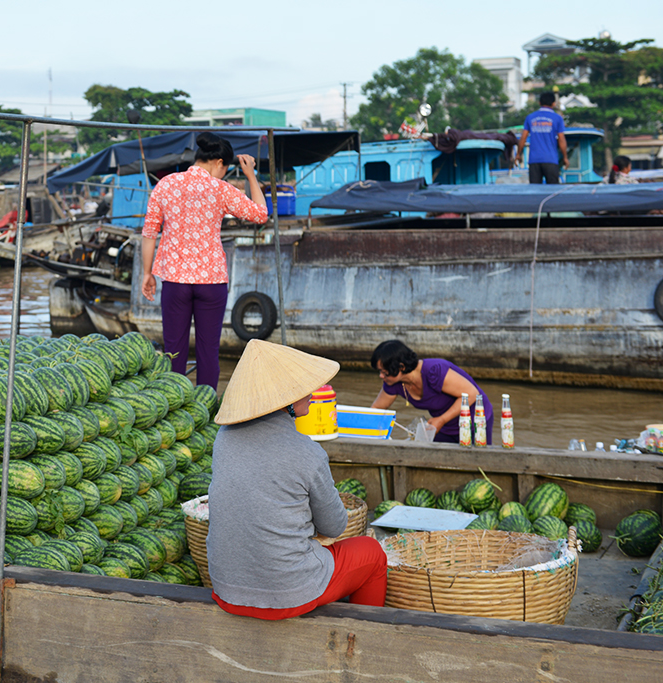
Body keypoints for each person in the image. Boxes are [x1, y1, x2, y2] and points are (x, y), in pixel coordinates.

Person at [207, 339, 388, 620]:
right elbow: (335, 526)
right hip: (287, 594)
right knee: (372, 553)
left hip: (226, 590)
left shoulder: (224, 439)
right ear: (285, 401)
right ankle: (366, 636)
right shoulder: (307, 451)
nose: (313, 393)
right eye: (303, 388)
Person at [140, 132, 268, 388]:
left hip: (175, 282)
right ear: (219, 162)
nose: (223, 174)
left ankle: (174, 410)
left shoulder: (166, 184)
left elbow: (149, 232)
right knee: (208, 353)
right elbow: (260, 214)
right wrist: (251, 174)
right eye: (225, 169)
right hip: (211, 282)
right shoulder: (220, 189)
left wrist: (147, 273)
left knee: (173, 351)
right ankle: (206, 412)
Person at [369, 339, 493, 445]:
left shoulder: (434, 371)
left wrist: (442, 420)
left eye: (384, 372)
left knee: (476, 464)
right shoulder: (394, 382)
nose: (381, 376)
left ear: (401, 367)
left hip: (473, 421)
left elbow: (471, 394)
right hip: (442, 427)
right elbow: (376, 409)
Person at [515, 92, 568, 185]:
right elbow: (561, 139)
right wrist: (565, 157)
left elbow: (523, 138)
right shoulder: (557, 118)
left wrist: (518, 154)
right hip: (551, 160)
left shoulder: (530, 117)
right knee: (553, 192)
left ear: (539, 103)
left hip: (534, 160)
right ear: (553, 104)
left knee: (535, 192)